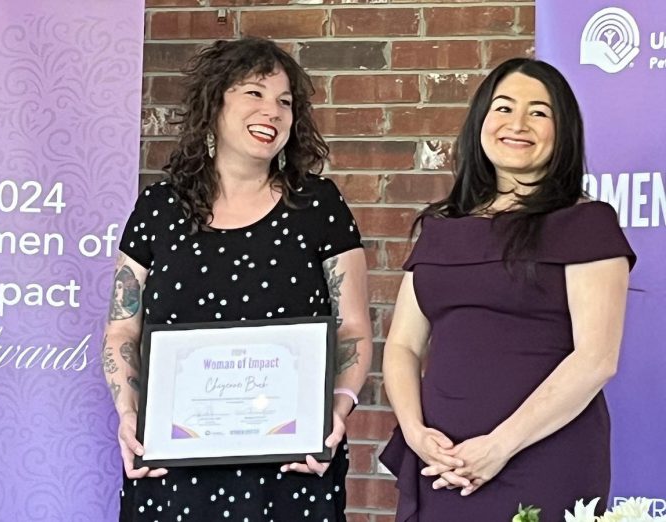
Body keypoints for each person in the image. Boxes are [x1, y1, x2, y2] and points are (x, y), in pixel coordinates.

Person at [102, 37, 372, 522]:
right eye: (255, 93)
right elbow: (123, 327)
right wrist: (129, 413)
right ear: (214, 103)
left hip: (292, 468)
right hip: (172, 469)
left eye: (285, 102)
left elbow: (351, 328)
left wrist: (337, 409)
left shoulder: (320, 206)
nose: (272, 111)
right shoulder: (157, 209)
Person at [379, 57, 635, 521]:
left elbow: (596, 359)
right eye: (503, 108)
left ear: (564, 132)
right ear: (481, 121)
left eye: (539, 112)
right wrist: (416, 434)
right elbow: (402, 345)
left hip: (543, 461)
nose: (518, 124)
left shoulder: (586, 224)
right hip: (442, 463)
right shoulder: (442, 227)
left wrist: (500, 446)